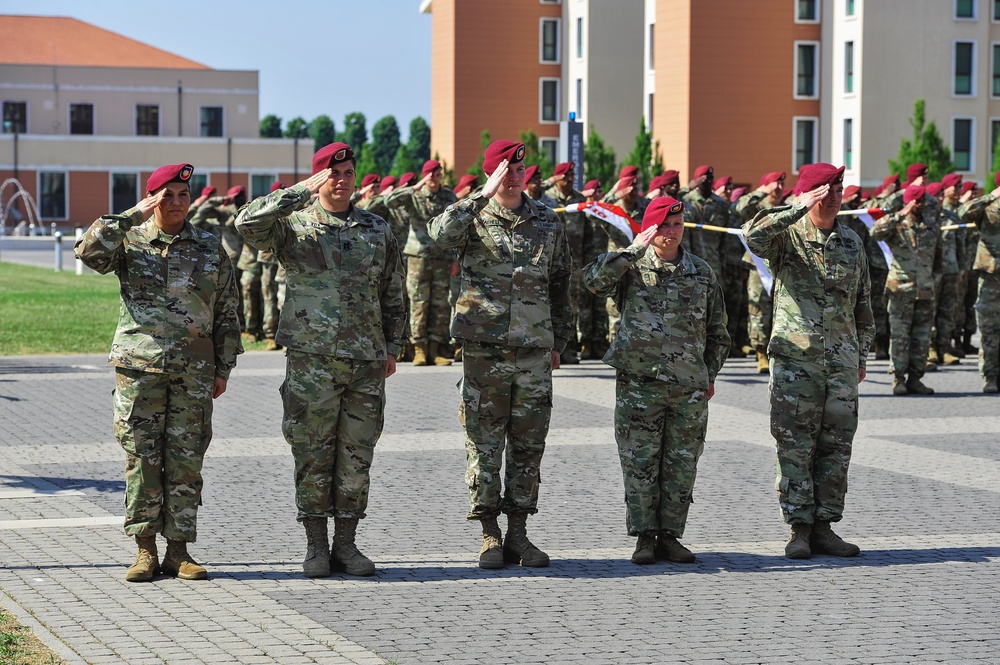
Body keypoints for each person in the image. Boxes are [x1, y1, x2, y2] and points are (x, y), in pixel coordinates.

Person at [235, 143, 406, 578]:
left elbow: (392, 289)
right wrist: (298, 192)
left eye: (348, 171)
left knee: (356, 453)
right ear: (317, 179)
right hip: (312, 360)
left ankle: (346, 545)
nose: (343, 179)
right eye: (333, 173)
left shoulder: (376, 228)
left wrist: (394, 345)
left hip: (365, 359)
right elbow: (246, 223)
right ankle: (315, 545)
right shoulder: (293, 226)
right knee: (312, 452)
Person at [74, 163, 242, 582]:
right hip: (140, 368)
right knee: (142, 460)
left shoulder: (208, 245)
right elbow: (88, 251)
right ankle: (144, 551)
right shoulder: (129, 241)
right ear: (151, 199)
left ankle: (179, 552)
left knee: (186, 461)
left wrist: (223, 366)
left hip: (194, 371)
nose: (176, 202)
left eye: (183, 195)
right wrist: (132, 215)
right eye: (166, 195)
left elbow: (227, 308)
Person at [428, 140, 573, 569]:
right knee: (484, 444)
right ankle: (489, 533)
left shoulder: (546, 221)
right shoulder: (472, 217)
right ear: (493, 174)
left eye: (518, 170)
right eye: (505, 170)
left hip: (533, 351)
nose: (513, 177)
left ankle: (519, 534)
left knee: (529, 445)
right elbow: (438, 235)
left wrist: (560, 342)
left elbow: (562, 283)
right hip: (484, 351)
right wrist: (480, 195)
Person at [583, 196, 729, 565]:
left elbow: (718, 331)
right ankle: (644, 538)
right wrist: (632, 249)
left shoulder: (701, 271)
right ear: (650, 228)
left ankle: (671, 536)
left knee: (681, 465)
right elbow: (592, 282)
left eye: (677, 226)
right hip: (639, 384)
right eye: (664, 225)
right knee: (640, 463)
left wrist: (707, 374)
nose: (671, 233)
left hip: (687, 387)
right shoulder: (630, 268)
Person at [742, 163, 874, 560]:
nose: (834, 195)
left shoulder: (851, 242)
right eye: (826, 189)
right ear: (809, 193)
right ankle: (798, 528)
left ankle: (824, 526)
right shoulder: (787, 238)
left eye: (838, 188)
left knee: (836, 447)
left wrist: (861, 354)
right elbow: (752, 235)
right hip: (797, 363)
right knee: (795, 445)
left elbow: (863, 305)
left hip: (842, 362)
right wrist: (798, 206)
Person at [871, 184, 942, 395]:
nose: (920, 205)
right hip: (900, 290)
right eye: (916, 201)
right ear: (908, 202)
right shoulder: (897, 226)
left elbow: (938, 259)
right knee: (900, 336)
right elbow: (875, 232)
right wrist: (899, 214)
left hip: (925, 291)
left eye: (922, 201)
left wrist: (933, 280)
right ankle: (898, 379)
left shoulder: (931, 227)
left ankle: (915, 379)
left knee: (921, 338)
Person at [386, 159, 457, 366]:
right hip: (418, 257)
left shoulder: (448, 196)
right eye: (430, 175)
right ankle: (419, 349)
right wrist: (414, 187)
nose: (434, 179)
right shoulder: (414, 195)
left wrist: (454, 258)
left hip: (442, 257)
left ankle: (435, 350)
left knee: (440, 305)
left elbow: (454, 227)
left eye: (437, 174)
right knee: (418, 303)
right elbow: (389, 201)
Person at [736, 171, 786, 373]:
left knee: (781, 308)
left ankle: (780, 351)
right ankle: (761, 354)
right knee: (758, 309)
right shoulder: (756, 207)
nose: (780, 188)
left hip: (782, 262)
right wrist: (763, 191)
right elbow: (739, 208)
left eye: (782, 184)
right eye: (776, 184)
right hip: (758, 265)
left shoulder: (787, 206)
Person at [957, 176, 1000, 393]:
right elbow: (963, 212)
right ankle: (990, 376)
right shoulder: (988, 205)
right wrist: (991, 196)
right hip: (992, 276)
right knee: (990, 329)